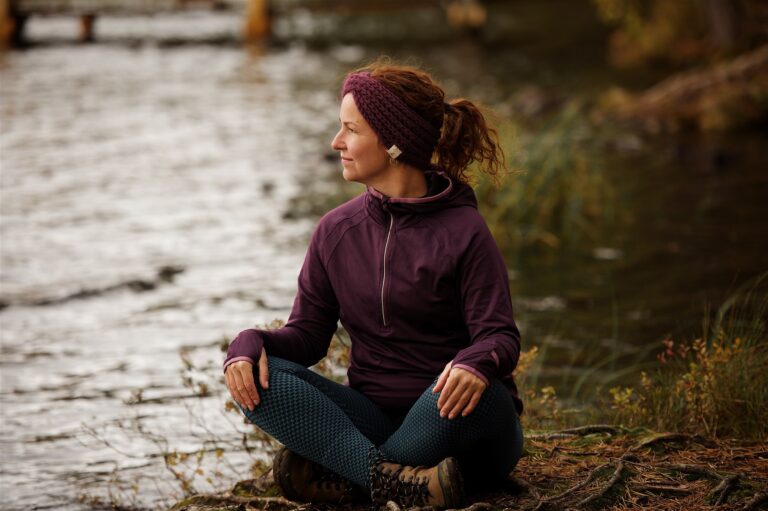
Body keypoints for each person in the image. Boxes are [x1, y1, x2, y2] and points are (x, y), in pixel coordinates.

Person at [223, 59, 524, 509]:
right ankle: (393, 481)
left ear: (394, 143)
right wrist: (251, 342)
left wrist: (476, 362)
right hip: (375, 418)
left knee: (474, 395)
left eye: (351, 129)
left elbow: (500, 336)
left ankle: (350, 472)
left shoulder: (464, 232)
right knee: (261, 378)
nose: (336, 142)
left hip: (458, 425)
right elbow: (307, 338)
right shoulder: (334, 232)